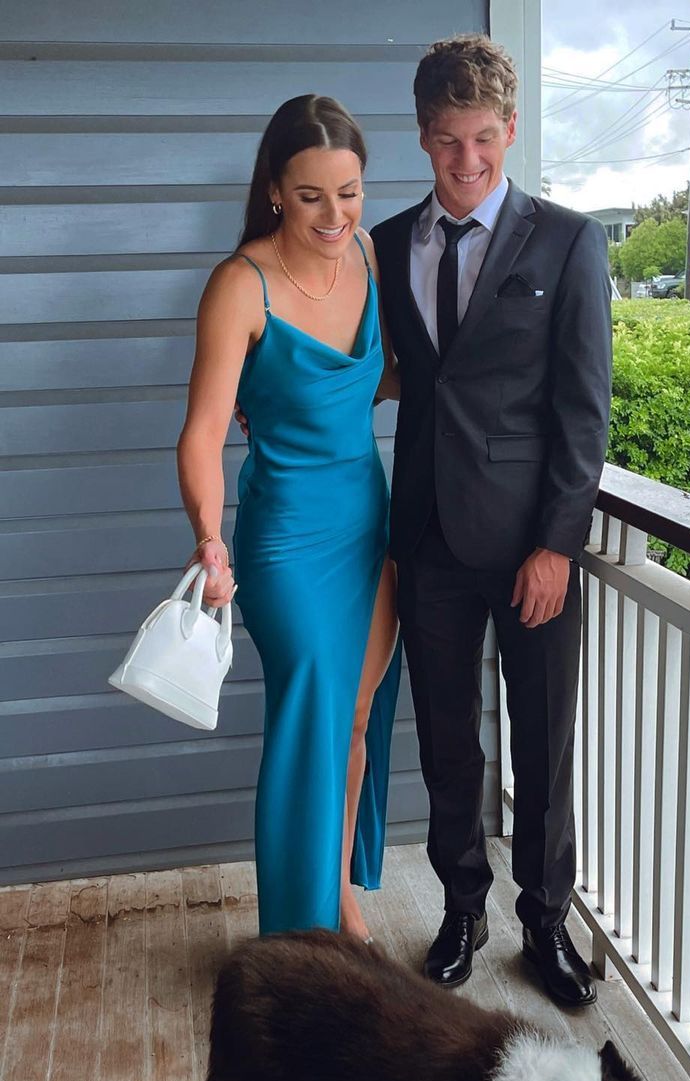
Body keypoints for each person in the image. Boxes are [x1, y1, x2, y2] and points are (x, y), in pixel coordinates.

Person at [370, 36, 611, 1006]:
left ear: (509, 130)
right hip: (428, 539)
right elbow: (388, 371)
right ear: (422, 136)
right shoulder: (388, 243)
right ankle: (462, 909)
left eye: (481, 139)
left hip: (527, 546)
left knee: (542, 740)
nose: (464, 160)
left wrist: (557, 544)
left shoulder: (567, 241)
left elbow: (584, 410)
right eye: (445, 140)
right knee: (445, 740)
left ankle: (544, 922)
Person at [177, 94, 401, 940]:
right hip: (286, 542)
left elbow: (377, 379)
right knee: (310, 717)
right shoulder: (241, 285)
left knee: (356, 716)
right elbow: (202, 432)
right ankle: (298, 946)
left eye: (349, 192)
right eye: (311, 196)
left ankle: (336, 899)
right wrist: (209, 536)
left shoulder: (369, 257)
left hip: (369, 524)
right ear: (275, 190)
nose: (335, 214)